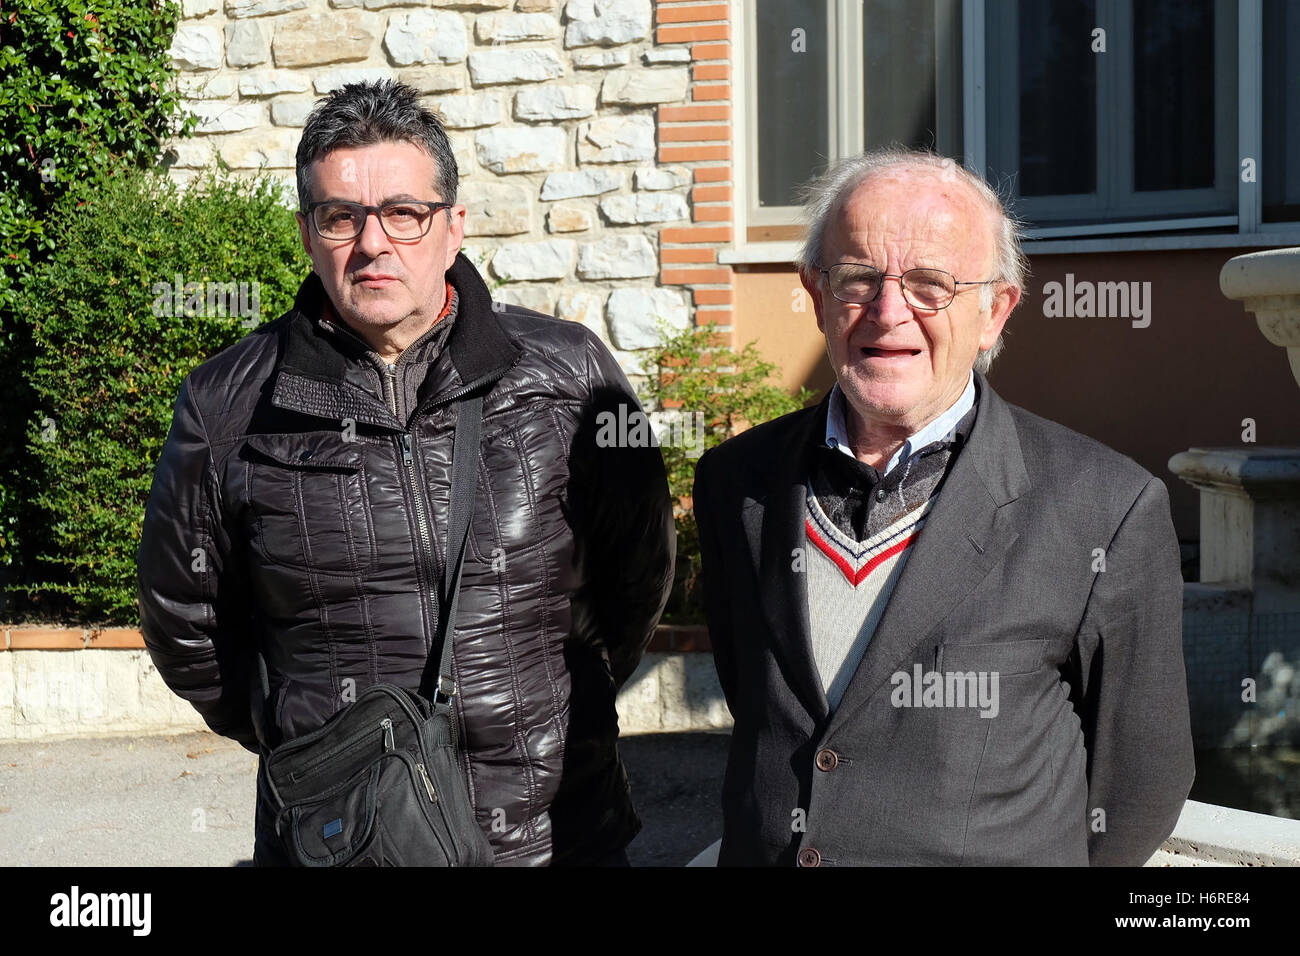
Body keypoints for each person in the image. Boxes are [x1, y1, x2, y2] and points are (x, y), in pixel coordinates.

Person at [137, 79, 675, 866]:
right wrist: (313, 738)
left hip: (555, 834)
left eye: (404, 213)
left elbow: (637, 579)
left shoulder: (566, 374)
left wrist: (551, 711)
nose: (373, 243)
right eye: (340, 217)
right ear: (307, 234)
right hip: (352, 841)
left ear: (453, 228)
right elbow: (185, 621)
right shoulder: (228, 404)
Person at [692, 148, 1195, 866]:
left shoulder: (1104, 508)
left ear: (994, 311)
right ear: (815, 291)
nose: (889, 312)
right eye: (858, 277)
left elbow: (1142, 780)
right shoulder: (736, 481)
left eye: (931, 285)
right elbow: (760, 707)